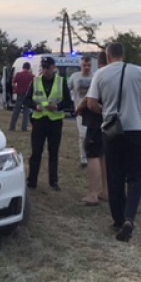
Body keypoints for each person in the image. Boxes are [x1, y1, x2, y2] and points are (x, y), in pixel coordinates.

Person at [87, 43, 141, 242]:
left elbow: (91, 103)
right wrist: (135, 106)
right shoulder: (138, 71)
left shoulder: (100, 74)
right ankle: (129, 217)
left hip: (112, 131)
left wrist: (108, 113)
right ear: (123, 54)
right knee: (135, 178)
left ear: (108, 56)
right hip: (135, 129)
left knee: (114, 176)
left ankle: (117, 219)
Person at [23, 56, 73, 191]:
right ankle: (32, 181)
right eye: (43, 67)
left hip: (55, 121)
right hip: (39, 120)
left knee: (53, 152)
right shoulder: (36, 81)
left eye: (47, 67)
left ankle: (53, 181)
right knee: (36, 152)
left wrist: (57, 106)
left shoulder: (61, 82)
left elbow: (68, 102)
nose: (45, 70)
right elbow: (26, 100)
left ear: (53, 68)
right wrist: (35, 106)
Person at [79, 51, 109, 206]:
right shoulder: (117, 76)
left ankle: (93, 193)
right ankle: (105, 190)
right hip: (110, 123)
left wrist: (80, 107)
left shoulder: (100, 75)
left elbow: (90, 100)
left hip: (95, 121)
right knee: (104, 155)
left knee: (93, 154)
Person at [68, 56, 94, 168]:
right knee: (82, 135)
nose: (87, 67)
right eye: (84, 65)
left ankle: (93, 156)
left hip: (93, 111)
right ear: (81, 65)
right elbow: (67, 89)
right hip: (80, 111)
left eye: (89, 65)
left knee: (93, 135)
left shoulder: (95, 77)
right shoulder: (75, 77)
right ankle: (83, 159)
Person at [9, 62, 34, 132]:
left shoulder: (18, 74)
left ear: (23, 67)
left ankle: (12, 126)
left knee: (16, 111)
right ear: (29, 68)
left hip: (19, 94)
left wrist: (16, 88)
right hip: (27, 95)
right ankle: (24, 128)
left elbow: (13, 83)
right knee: (26, 112)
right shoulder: (31, 75)